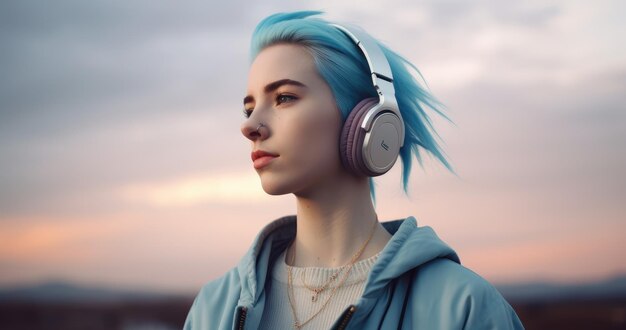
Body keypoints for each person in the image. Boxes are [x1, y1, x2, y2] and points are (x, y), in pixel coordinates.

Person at [184, 11, 524, 330]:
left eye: (284, 98)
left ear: (368, 120)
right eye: (249, 108)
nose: (251, 126)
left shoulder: (462, 307)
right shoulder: (213, 309)